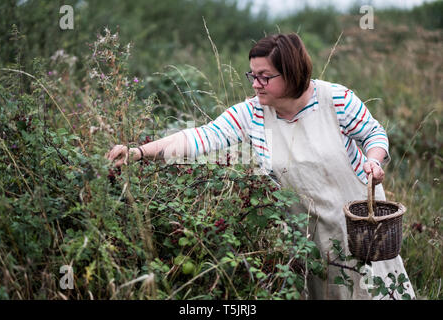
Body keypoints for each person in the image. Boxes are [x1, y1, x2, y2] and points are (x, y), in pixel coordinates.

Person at [105, 33, 415, 300]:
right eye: (252, 75)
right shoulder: (252, 114)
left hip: (362, 226)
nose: (255, 84)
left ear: (291, 73)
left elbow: (374, 134)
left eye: (264, 76)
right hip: (307, 237)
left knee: (374, 289)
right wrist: (140, 152)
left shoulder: (335, 99)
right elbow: (201, 137)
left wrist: (374, 161)